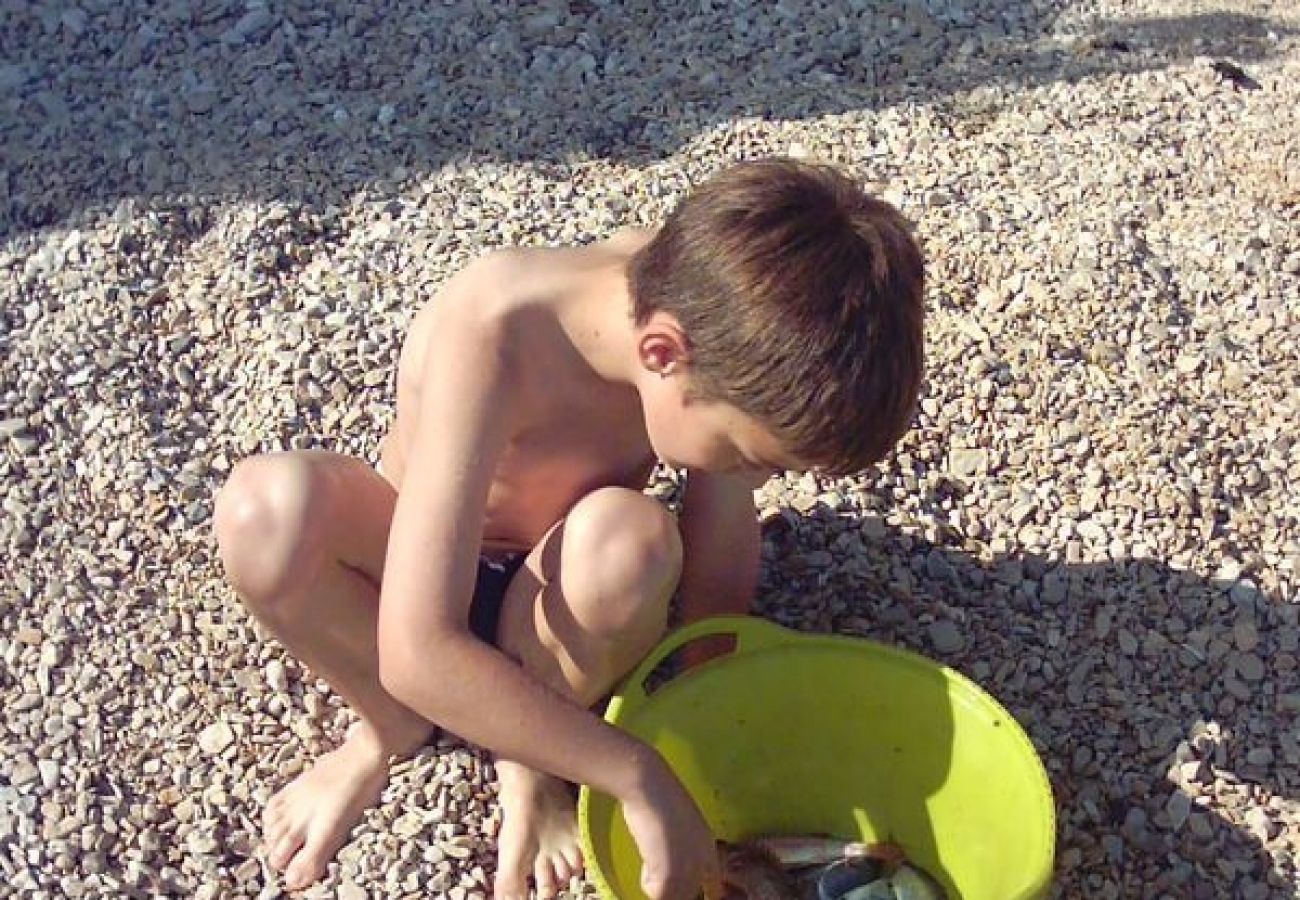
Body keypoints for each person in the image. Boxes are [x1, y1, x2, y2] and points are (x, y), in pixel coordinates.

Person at [213, 157, 925, 899]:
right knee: (267, 512)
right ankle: (388, 731)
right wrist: (635, 772)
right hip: (413, 579)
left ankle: (533, 762)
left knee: (633, 541)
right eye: (752, 459)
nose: (757, 481)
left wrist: (708, 724)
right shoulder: (498, 328)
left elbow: (715, 577)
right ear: (662, 355)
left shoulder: (722, 315)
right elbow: (417, 646)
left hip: (563, 607)